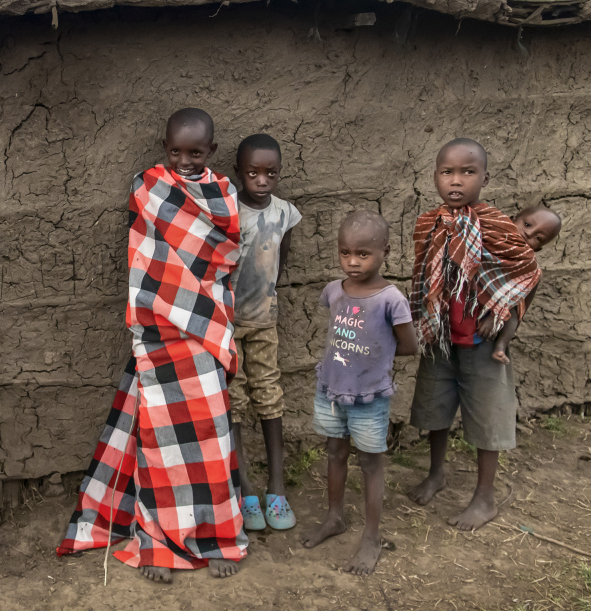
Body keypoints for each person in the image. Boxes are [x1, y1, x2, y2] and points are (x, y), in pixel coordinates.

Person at [58, 108, 248, 583]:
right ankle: (158, 541)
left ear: (213, 153)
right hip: (160, 334)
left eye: (196, 153)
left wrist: (210, 315)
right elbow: (146, 257)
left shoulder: (223, 196)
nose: (184, 161)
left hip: (204, 331)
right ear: (164, 148)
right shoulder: (147, 187)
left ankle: (218, 538)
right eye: (175, 151)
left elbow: (224, 262)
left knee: (212, 442)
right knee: (160, 446)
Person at [407, 138, 541, 531]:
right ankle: (436, 474)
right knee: (435, 411)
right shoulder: (427, 223)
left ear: (484, 176)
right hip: (442, 336)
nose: (456, 181)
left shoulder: (496, 224)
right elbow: (422, 275)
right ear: (435, 176)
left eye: (467, 172)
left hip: (482, 342)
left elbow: (528, 272)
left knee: (487, 418)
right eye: (447, 172)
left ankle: (485, 498)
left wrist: (501, 311)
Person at [299, 211, 417, 575]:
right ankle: (335, 517)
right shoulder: (334, 291)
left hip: (369, 395)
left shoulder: (391, 299)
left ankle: (371, 535)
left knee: (370, 462)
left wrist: (373, 358)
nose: (352, 261)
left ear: (385, 251)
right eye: (345, 252)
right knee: (335, 452)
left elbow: (409, 345)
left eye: (363, 254)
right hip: (332, 389)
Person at [228, 133, 302, 532]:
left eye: (270, 173)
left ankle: (277, 487)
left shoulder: (285, 212)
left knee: (269, 394)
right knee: (234, 398)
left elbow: (281, 263)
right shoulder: (227, 210)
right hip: (227, 323)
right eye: (253, 172)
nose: (261, 180)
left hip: (263, 321)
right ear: (239, 172)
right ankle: (244, 488)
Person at [487, 204, 561, 364]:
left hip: (503, 308)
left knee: (513, 315)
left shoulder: (529, 270)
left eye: (538, 238)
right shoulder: (486, 241)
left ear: (538, 249)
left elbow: (521, 304)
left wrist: (496, 315)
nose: (528, 233)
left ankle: (500, 348)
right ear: (511, 219)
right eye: (527, 225)